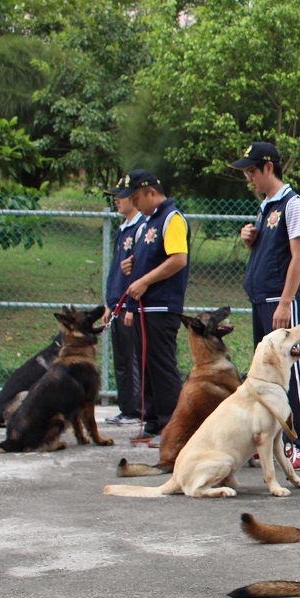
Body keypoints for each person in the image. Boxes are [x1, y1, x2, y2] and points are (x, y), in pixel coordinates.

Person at [232, 141, 300, 471]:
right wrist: (251, 243)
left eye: (252, 171)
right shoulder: (267, 206)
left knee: (292, 372)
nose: (249, 179)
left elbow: (299, 256)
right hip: (263, 299)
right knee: (267, 374)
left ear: (269, 167)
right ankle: (276, 441)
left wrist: (286, 302)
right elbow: (273, 252)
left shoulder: (293, 205)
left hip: (282, 300)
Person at [113, 170, 190, 444]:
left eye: (136, 198)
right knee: (146, 367)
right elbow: (152, 257)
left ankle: (172, 426)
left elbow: (178, 258)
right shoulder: (148, 223)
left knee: (161, 367)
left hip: (161, 307)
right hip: (144, 307)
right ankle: (154, 421)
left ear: (151, 192)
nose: (134, 204)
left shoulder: (172, 219)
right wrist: (132, 266)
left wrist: (144, 280)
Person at [102, 183, 145, 426]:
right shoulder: (123, 229)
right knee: (120, 360)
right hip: (117, 305)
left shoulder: (140, 228)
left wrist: (130, 304)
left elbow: (138, 272)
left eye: (120, 196)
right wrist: (110, 304)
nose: (116, 201)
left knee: (133, 360)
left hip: (130, 305)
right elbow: (116, 272)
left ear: (133, 198)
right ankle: (125, 407)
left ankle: (137, 410)